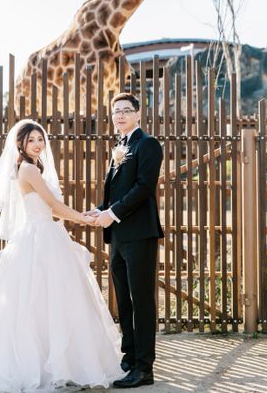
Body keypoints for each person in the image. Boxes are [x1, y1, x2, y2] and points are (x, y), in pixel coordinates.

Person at [0, 119, 124, 392]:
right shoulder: (28, 170)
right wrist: (85, 220)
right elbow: (53, 205)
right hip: (40, 238)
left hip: (46, 234)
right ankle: (43, 366)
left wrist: (84, 214)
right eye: (31, 140)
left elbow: (52, 209)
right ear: (20, 144)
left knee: (50, 301)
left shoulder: (33, 168)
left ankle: (57, 364)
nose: (38, 144)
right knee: (38, 301)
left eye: (40, 139)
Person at [87, 93, 163, 388]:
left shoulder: (147, 144)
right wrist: (100, 210)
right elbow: (117, 192)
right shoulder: (119, 146)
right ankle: (129, 357)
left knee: (142, 300)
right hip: (118, 236)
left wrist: (113, 212)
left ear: (138, 113)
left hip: (140, 234)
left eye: (126, 110)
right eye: (116, 111)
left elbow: (144, 187)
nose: (120, 115)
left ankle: (145, 368)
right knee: (124, 300)